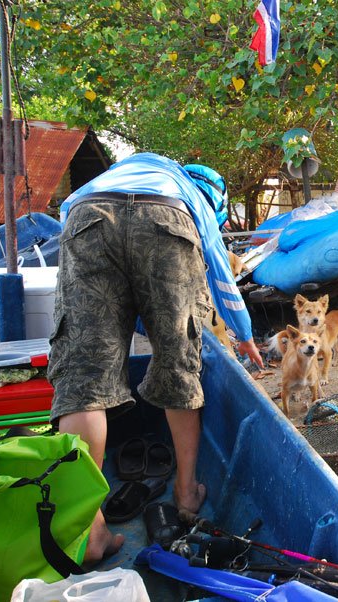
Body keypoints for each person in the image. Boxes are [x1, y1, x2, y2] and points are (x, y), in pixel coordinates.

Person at [48, 152, 264, 562]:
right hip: (166, 220)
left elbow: (68, 218)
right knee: (178, 364)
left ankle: (88, 528)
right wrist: (245, 332)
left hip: (86, 216)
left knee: (85, 378)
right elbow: (218, 266)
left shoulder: (106, 178)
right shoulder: (190, 193)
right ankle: (186, 493)